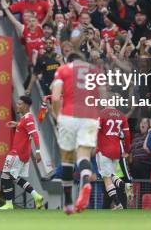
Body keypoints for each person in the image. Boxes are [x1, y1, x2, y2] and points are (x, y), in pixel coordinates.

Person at [50, 53, 101, 214]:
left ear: (69, 60)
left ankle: (69, 203)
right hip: (90, 116)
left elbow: (56, 97)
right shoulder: (95, 71)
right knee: (84, 157)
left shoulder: (63, 70)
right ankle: (86, 181)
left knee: (67, 160)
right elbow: (102, 96)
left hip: (69, 116)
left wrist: (58, 116)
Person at [0, 95, 44, 210]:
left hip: (17, 153)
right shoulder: (24, 119)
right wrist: (17, 124)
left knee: (4, 176)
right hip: (22, 154)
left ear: (26, 106)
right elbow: (26, 129)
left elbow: (35, 134)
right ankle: (36, 196)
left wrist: (38, 151)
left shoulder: (28, 118)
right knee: (14, 177)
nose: (17, 106)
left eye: (19, 104)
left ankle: (8, 204)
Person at [96, 98, 133, 209]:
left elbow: (95, 131)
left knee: (106, 178)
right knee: (112, 175)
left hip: (104, 150)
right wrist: (126, 150)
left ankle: (118, 203)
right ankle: (124, 186)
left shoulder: (102, 114)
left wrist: (95, 147)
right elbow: (127, 135)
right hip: (116, 151)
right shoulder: (122, 116)